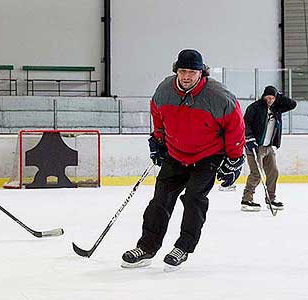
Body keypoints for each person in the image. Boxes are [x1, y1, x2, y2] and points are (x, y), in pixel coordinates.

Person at [121, 49, 245, 270]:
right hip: (176, 154)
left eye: (192, 72)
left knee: (194, 199)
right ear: (176, 71)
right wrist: (158, 140)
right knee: (160, 200)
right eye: (182, 71)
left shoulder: (218, 96)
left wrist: (235, 158)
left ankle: (183, 247)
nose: (187, 76)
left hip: (208, 156)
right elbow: (157, 115)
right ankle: (147, 247)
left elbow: (235, 127)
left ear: (201, 73)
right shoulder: (164, 90)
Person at [241, 85, 297, 212]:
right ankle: (247, 199)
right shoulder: (255, 107)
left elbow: (292, 104)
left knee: (273, 172)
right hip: (255, 146)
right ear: (264, 96)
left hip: (269, 147)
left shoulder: (277, 108)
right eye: (268, 97)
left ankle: (271, 198)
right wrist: (249, 139)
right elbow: (245, 124)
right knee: (256, 174)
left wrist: (279, 96)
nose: (270, 100)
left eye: (273, 98)